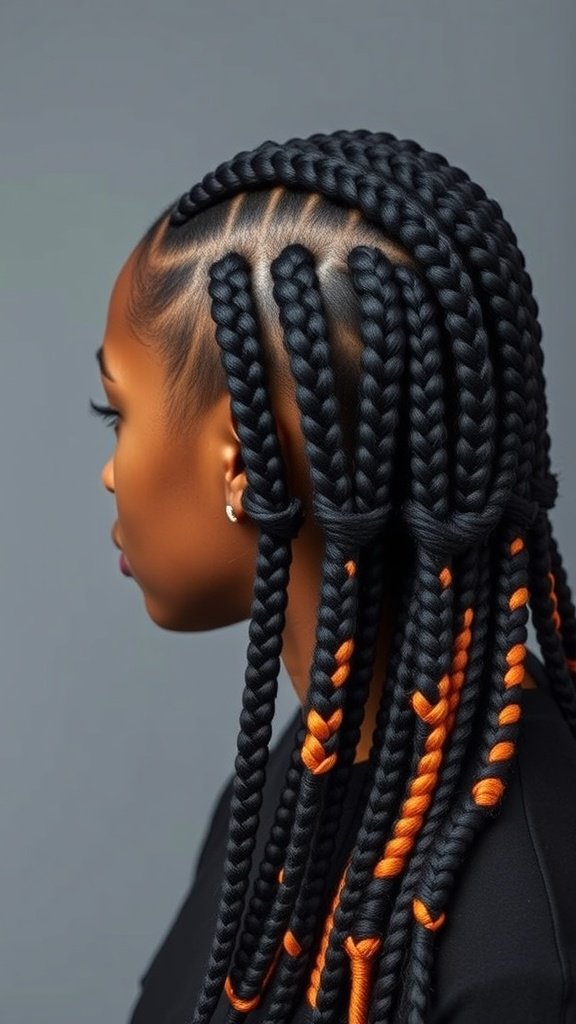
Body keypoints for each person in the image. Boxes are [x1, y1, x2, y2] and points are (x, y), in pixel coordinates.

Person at [91, 129, 576, 1024]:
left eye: (113, 410)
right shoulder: (289, 792)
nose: (110, 473)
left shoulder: (519, 956)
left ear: (250, 461)